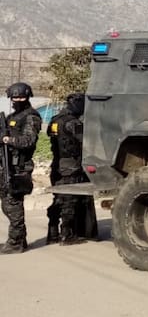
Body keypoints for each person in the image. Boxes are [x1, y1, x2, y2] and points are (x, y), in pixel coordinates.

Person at [46, 92, 97, 245]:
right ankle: (67, 235)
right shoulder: (73, 123)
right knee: (69, 200)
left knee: (57, 198)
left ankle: (52, 232)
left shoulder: (55, 120)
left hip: (57, 164)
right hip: (71, 166)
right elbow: (85, 143)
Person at [0, 82, 42, 254]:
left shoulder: (31, 117)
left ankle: (16, 242)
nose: (17, 100)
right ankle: (18, 239)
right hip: (7, 165)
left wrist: (7, 140)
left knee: (13, 204)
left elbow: (28, 141)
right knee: (7, 204)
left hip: (19, 167)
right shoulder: (10, 118)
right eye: (14, 97)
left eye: (21, 97)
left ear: (27, 97)